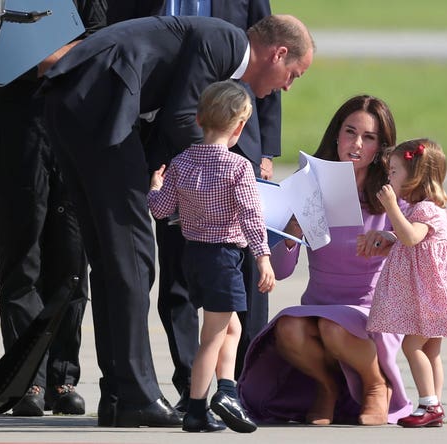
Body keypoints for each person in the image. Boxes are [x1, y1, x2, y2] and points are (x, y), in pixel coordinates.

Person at [41, 14, 313, 427]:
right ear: (278, 54)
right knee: (133, 255)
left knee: (110, 255)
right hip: (97, 106)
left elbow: (171, 116)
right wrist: (222, 177)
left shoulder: (218, 46)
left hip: (76, 104)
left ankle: (118, 393)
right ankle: (135, 394)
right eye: (293, 73)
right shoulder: (225, 41)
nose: (288, 86)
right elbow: (183, 118)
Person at [237, 95, 413, 425]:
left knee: (334, 327)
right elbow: (280, 271)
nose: (357, 144)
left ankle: (377, 386)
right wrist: (291, 230)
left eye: (369, 137)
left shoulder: (392, 193)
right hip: (318, 305)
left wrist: (391, 240)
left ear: (382, 146)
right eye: (350, 132)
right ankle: (327, 387)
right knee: (288, 327)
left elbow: (420, 246)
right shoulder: (310, 186)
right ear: (336, 134)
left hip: (369, 309)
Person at [0, 0, 119, 417]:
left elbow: (101, 38)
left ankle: (63, 376)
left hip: (70, 114)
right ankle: (28, 382)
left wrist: (56, 55)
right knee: (21, 251)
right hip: (16, 116)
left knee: (71, 255)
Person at [149, 0, 282, 413]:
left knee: (229, 326)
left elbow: (160, 210)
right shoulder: (240, 167)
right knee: (215, 334)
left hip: (192, 256)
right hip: (224, 258)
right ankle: (197, 404)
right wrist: (262, 258)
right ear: (241, 126)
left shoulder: (182, 161)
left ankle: (227, 391)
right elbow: (251, 216)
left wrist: (155, 186)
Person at [366, 138, 447, 428]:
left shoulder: (426, 209)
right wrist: (391, 237)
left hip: (431, 291)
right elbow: (412, 240)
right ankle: (434, 404)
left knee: (412, 345)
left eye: (394, 171)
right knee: (431, 350)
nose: (389, 176)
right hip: (432, 288)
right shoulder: (421, 208)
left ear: (415, 175)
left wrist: (391, 208)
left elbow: (412, 238)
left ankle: (428, 403)